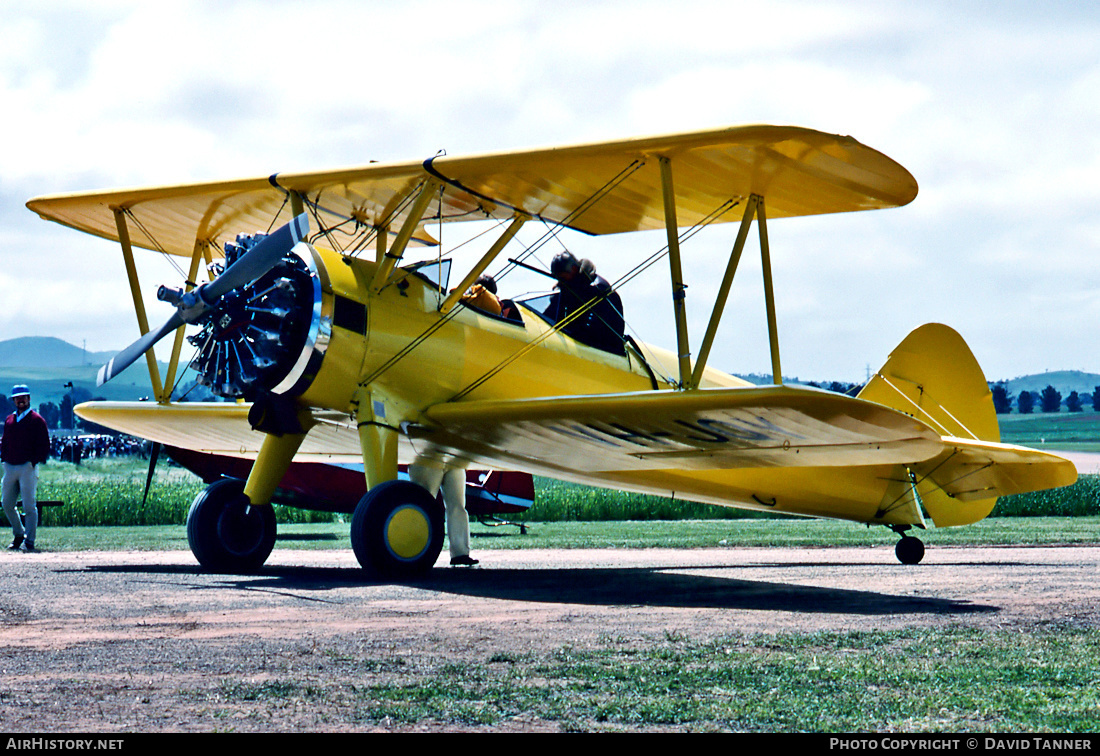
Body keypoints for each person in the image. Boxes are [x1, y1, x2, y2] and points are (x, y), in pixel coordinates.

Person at [544, 251, 625, 354]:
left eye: (562, 277)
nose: (560, 282)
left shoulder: (598, 289)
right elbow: (551, 313)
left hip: (601, 347)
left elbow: (605, 330)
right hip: (578, 340)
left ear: (573, 269)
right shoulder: (567, 287)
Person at [2, 385, 51, 552]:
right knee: (7, 503)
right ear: (14, 400)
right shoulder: (9, 420)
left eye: (23, 397)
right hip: (10, 466)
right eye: (17, 398)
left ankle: (29, 540)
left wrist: (34, 461)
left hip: (27, 467)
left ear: (29, 399)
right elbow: (5, 442)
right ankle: (19, 534)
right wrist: (3, 460)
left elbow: (45, 445)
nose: (20, 400)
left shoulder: (37, 420)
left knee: (29, 505)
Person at [407, 462, 479, 567]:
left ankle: (460, 554)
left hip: (454, 460)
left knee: (458, 507)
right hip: (427, 459)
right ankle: (416, 551)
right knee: (423, 508)